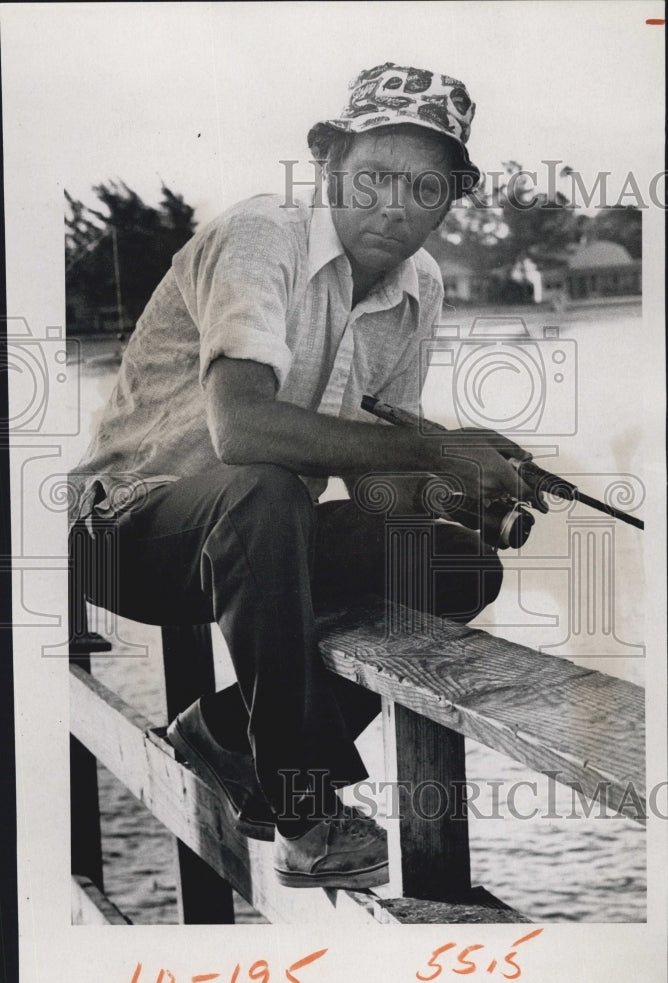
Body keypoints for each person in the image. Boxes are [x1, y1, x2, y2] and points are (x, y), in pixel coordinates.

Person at [69, 62, 533, 891]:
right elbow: (241, 430)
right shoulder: (264, 232)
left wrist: (465, 481)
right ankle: (302, 807)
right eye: (376, 177)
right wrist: (435, 450)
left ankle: (225, 732)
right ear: (328, 165)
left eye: (425, 188)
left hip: (255, 545)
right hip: (127, 535)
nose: (396, 205)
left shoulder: (418, 287)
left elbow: (370, 481)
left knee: (456, 563)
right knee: (267, 482)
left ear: (449, 201)